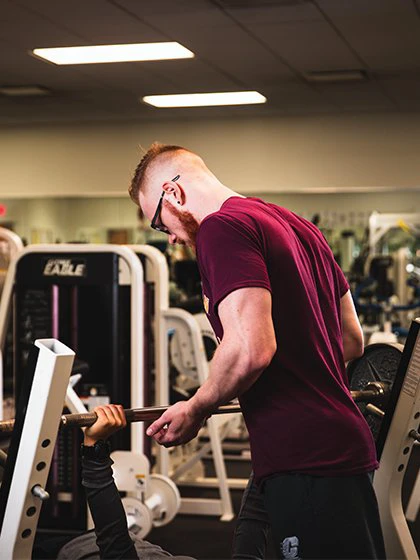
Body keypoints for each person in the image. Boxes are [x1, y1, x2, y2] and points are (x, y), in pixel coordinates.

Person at [128, 142, 386, 560]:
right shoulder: (299, 225)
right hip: (342, 446)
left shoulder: (221, 228)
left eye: (161, 224)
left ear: (173, 194)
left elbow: (252, 349)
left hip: (303, 455)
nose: (172, 239)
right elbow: (351, 339)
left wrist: (196, 407)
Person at [33, 404, 194, 560]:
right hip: (88, 540)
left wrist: (94, 446)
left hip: (64, 548)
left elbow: (116, 548)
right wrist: (196, 408)